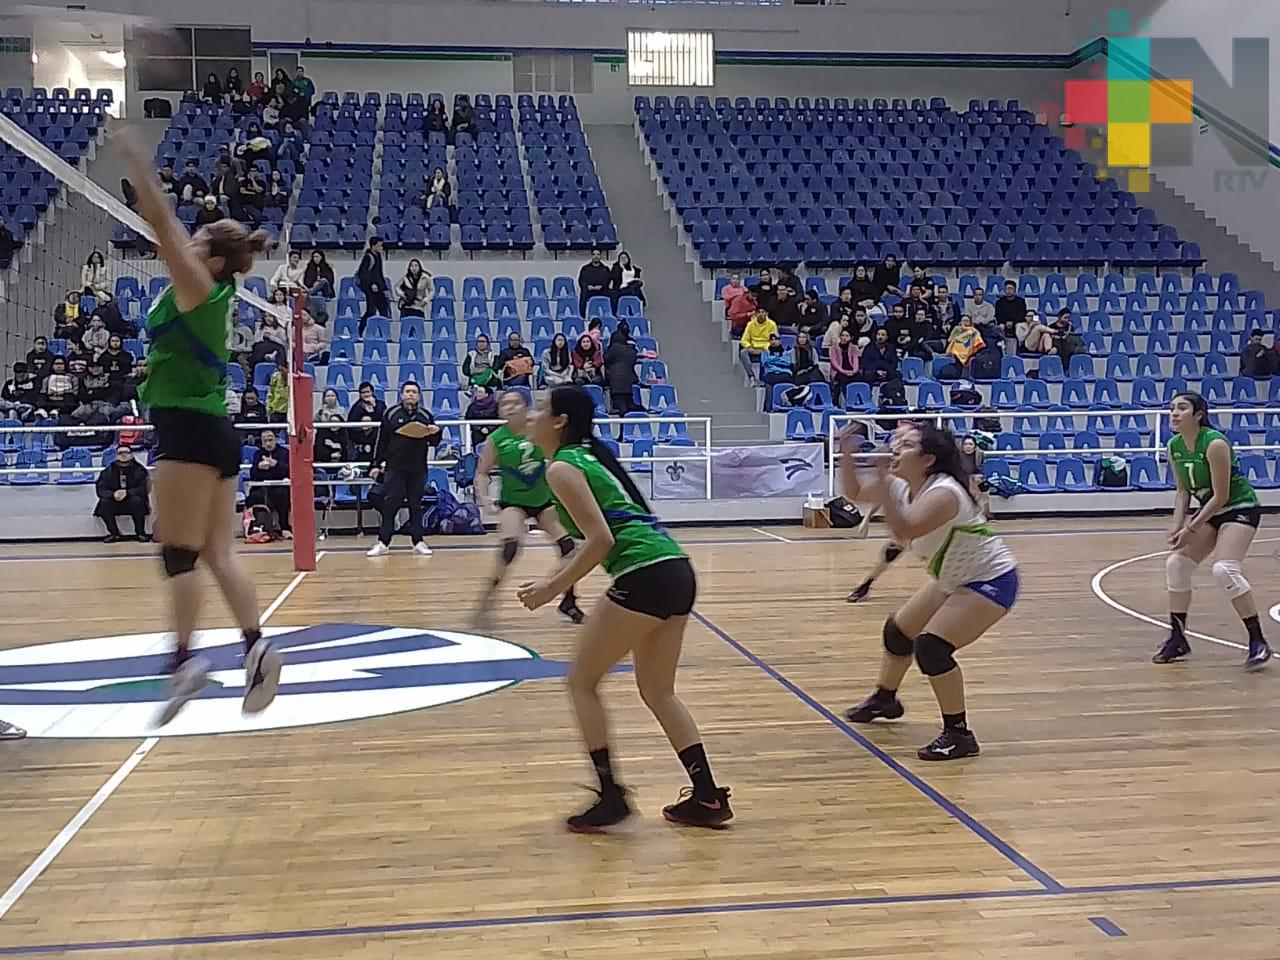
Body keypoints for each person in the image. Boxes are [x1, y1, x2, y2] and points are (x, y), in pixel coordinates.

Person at [516, 385, 733, 831]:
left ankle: (610, 793)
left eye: (541, 408)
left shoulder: (562, 467)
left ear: (560, 421)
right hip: (675, 569)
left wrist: (551, 587)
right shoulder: (586, 458)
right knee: (658, 691)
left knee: (580, 682)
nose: (533, 414)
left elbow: (601, 541)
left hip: (645, 574)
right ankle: (708, 796)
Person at [121, 130, 278, 725]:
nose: (188, 240)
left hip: (187, 430)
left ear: (211, 257)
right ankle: (255, 646)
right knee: (218, 551)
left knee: (178, 553)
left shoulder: (199, 286)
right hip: (213, 430)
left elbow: (162, 225)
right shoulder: (214, 293)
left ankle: (184, 662)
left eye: (199, 238)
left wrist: (138, 163)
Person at [838, 422, 1019, 760]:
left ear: (927, 460)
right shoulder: (902, 486)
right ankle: (885, 698)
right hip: (952, 578)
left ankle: (959, 734)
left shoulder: (944, 494)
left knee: (932, 648)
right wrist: (846, 454)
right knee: (898, 632)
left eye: (906, 445)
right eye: (897, 441)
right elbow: (853, 494)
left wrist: (880, 484)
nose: (895, 447)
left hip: (990, 579)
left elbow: (906, 527)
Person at [1155, 392, 1272, 670]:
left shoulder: (1215, 443)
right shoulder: (1174, 445)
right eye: (1172, 408)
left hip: (1238, 507)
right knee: (1177, 565)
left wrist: (1191, 527)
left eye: (1182, 408)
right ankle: (1178, 637)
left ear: (1198, 415)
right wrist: (1176, 524)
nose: (1174, 413)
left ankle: (1258, 641)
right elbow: (1183, 491)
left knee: (1224, 570)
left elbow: (1221, 496)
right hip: (1210, 511)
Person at [474, 390, 586, 626]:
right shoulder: (497, 438)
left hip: (544, 501)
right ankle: (488, 599)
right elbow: (482, 472)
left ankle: (568, 600)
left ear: (527, 407)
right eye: (505, 404)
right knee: (510, 547)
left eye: (516, 403)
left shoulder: (539, 429)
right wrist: (483, 497)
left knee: (569, 548)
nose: (510, 408)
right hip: (513, 502)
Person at [366, 381, 442, 557]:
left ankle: (418, 541)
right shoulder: (391, 414)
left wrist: (436, 431)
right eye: (407, 391)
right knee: (390, 505)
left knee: (416, 505)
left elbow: (434, 442)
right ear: (401, 394)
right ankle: (383, 542)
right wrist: (376, 465)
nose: (410, 394)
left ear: (419, 396)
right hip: (395, 468)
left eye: (414, 392)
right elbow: (381, 442)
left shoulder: (425, 415)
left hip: (418, 468)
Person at [93, 443, 150, 542]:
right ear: (116, 455)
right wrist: (113, 494)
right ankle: (114, 533)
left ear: (132, 455)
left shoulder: (140, 470)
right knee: (104, 503)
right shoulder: (107, 471)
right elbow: (100, 489)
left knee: (137, 501)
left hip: (132, 501)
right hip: (114, 501)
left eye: (126, 452)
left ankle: (140, 532)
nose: (123, 455)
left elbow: (144, 488)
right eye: (120, 453)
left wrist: (127, 493)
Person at [246, 428, 292, 538]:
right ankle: (259, 526)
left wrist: (275, 465)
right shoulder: (258, 454)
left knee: (283, 494)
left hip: (280, 486)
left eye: (270, 440)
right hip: (262, 487)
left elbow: (289, 471)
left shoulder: (284, 453)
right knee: (255, 497)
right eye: (265, 441)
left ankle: (284, 527)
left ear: (275, 440)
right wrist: (259, 467)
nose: (268, 443)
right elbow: (253, 474)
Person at [346, 381, 386, 461]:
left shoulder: (380, 405)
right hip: (361, 442)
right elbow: (351, 426)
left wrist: (374, 406)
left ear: (372, 392)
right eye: (363, 392)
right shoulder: (356, 407)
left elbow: (383, 420)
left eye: (367, 392)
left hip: (378, 440)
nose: (366, 395)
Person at [603, 328, 639, 414]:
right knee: (628, 404)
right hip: (628, 380)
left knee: (621, 407)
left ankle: (624, 426)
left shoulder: (614, 348)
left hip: (616, 379)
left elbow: (607, 359)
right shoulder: (631, 351)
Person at [357, 238, 390, 330]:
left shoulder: (378, 256)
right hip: (370, 289)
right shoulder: (368, 257)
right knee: (370, 311)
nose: (381, 248)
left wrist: (384, 287)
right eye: (379, 245)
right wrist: (372, 284)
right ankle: (360, 330)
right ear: (373, 246)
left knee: (384, 311)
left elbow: (379, 274)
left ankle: (384, 333)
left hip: (379, 288)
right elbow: (364, 274)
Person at [738, 310, 777, 386]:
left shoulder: (772, 324)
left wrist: (763, 349)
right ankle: (752, 377)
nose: (760, 314)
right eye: (759, 312)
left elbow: (774, 340)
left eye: (763, 312)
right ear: (756, 314)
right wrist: (749, 347)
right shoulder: (750, 324)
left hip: (766, 348)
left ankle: (764, 379)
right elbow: (744, 340)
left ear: (766, 313)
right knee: (743, 353)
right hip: (753, 347)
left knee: (770, 353)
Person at [828, 328, 861, 406]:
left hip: (851, 371)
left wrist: (854, 371)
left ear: (851, 338)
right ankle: (849, 401)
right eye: (842, 335)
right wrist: (843, 371)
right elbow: (834, 362)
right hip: (839, 371)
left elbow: (856, 360)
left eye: (847, 336)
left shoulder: (854, 348)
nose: (844, 337)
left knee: (859, 378)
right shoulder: (833, 348)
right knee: (843, 380)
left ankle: (858, 401)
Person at [577, 249, 612, 316]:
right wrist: (587, 286)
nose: (596, 256)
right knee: (583, 293)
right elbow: (581, 281)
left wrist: (601, 286)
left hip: (601, 290)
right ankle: (582, 316)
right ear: (591, 256)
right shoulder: (585, 268)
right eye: (594, 254)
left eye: (598, 254)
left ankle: (611, 315)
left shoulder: (605, 269)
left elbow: (607, 280)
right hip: (589, 291)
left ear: (600, 256)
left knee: (613, 293)